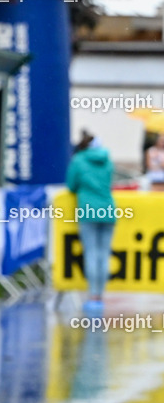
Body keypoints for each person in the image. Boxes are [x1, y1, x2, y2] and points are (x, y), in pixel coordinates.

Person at [67, 132, 115, 312]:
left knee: (92, 253)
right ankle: (100, 294)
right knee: (104, 254)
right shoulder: (107, 160)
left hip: (88, 210)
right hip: (108, 209)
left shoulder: (78, 161)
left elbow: (71, 185)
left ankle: (93, 295)